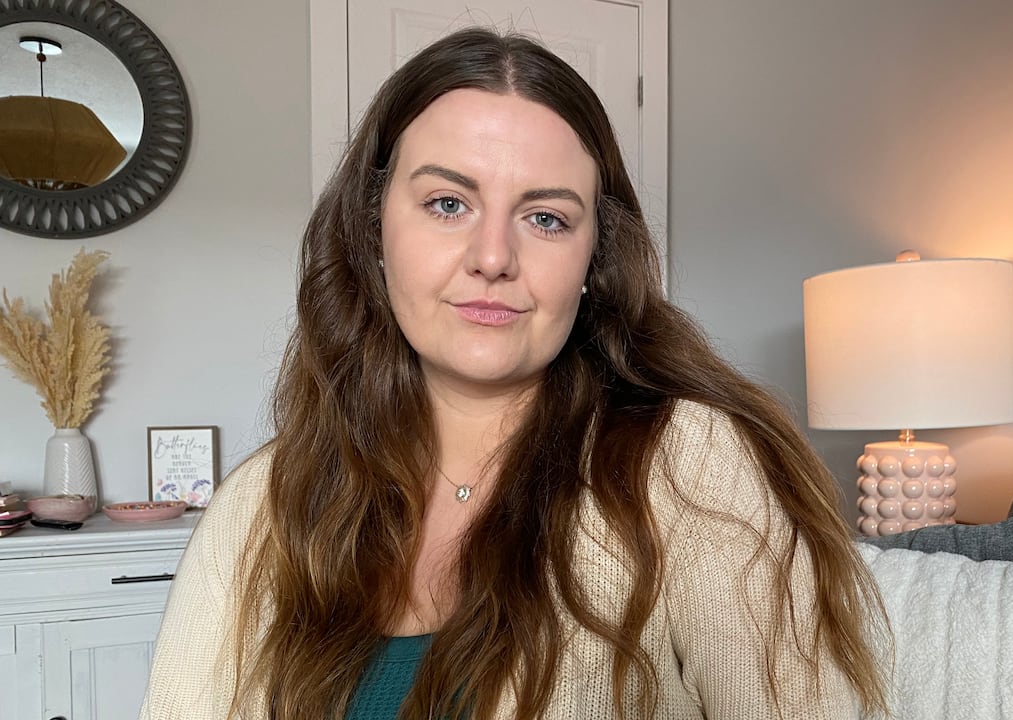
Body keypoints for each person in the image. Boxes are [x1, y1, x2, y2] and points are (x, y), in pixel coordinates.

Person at [140, 27, 889, 720]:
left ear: (594, 261)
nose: (493, 256)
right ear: (373, 234)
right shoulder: (261, 506)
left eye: (546, 218)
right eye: (446, 203)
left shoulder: (687, 465)